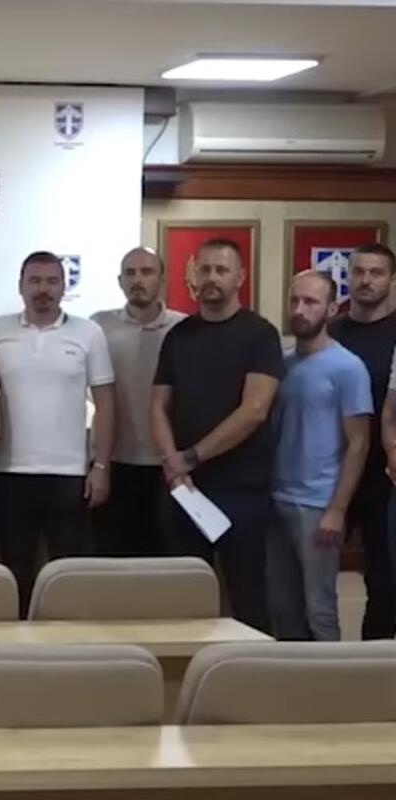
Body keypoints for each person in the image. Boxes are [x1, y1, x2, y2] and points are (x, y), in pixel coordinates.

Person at [152, 238, 283, 633]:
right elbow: (158, 406)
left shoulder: (261, 335)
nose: (212, 278)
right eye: (205, 269)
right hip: (186, 490)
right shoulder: (179, 335)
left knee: (247, 598)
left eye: (221, 270)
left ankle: (252, 669)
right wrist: (174, 465)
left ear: (239, 277)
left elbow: (254, 410)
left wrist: (191, 456)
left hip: (241, 489)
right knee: (184, 598)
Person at [0, 251, 114, 615]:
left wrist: (101, 467)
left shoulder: (88, 333)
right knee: (14, 573)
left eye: (52, 281)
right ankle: (17, 644)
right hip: (9, 472)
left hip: (69, 475)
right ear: (21, 286)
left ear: (64, 286)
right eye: (35, 281)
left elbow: (105, 403)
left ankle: (67, 644)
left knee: (67, 575)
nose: (43, 289)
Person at [269, 271, 370, 641]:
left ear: (331, 308)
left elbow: (359, 443)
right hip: (276, 499)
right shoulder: (281, 364)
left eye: (310, 302)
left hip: (318, 505)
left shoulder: (348, 367)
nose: (300, 309)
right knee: (282, 608)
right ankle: (292, 676)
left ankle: (330, 677)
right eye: (294, 300)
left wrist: (337, 509)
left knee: (320, 610)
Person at [91, 247, 185, 555]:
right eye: (130, 273)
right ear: (120, 281)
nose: (138, 280)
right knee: (115, 559)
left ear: (163, 279)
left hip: (168, 465)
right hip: (115, 462)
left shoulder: (184, 329)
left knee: (165, 558)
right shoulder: (99, 327)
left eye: (147, 272)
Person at [328, 242, 396, 640]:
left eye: (376, 273)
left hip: (383, 473)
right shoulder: (330, 331)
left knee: (384, 578)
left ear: (391, 280)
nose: (366, 280)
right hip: (331, 468)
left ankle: (373, 658)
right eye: (358, 272)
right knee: (317, 572)